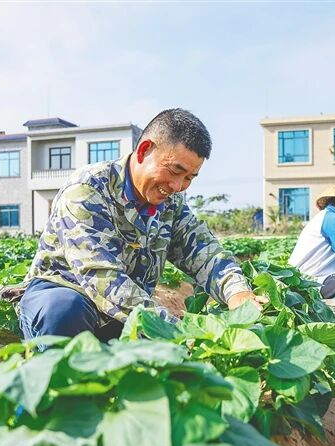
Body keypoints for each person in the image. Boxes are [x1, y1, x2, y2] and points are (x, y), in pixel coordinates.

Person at [18, 108, 266, 341]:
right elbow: (102, 277)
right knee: (63, 311)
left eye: (189, 178)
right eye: (175, 170)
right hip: (66, 293)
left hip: (122, 310)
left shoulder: (171, 203)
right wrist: (176, 331)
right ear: (144, 150)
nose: (177, 186)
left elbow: (203, 250)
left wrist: (237, 292)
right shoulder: (86, 190)